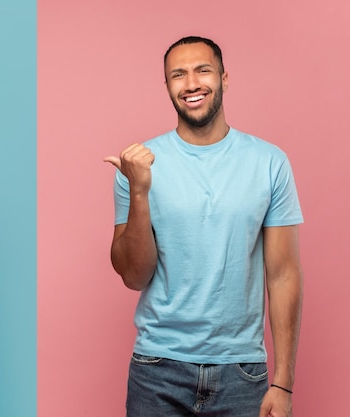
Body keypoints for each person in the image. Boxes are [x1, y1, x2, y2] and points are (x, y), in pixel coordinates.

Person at [104, 36, 303, 417]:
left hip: (243, 372)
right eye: (178, 75)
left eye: (202, 71)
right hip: (157, 368)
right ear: (167, 87)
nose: (191, 83)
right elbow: (133, 275)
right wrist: (140, 190)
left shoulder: (270, 162)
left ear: (225, 79)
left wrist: (283, 382)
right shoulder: (137, 165)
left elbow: (283, 275)